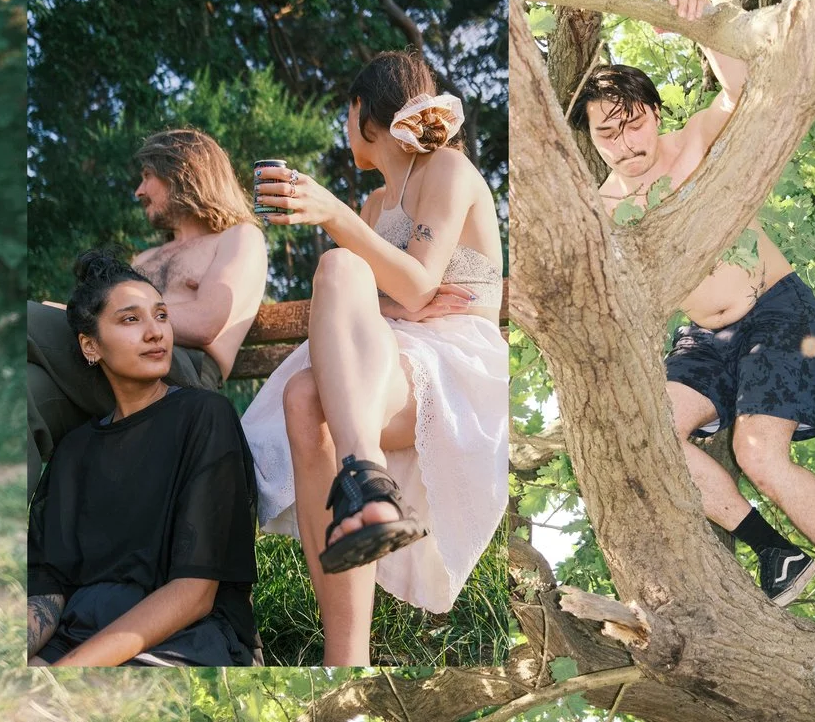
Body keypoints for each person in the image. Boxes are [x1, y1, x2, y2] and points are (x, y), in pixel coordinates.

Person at [571, 0, 815, 639]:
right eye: (606, 130)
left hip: (774, 309)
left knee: (759, 453)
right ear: (591, 137)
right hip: (703, 337)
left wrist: (703, 26)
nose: (623, 139)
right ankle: (773, 547)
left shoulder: (696, 142)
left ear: (656, 115)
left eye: (633, 120)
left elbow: (750, 93)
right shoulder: (604, 209)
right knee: (646, 434)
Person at [241, 49, 509, 666]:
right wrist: (397, 301)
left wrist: (334, 218)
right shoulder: (373, 209)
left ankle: (364, 475)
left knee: (338, 264)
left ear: (366, 113)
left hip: (453, 366)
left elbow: (414, 286)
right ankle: (347, 652)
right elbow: (387, 306)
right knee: (302, 397)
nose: (345, 126)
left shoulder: (446, 169)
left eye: (347, 112)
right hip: (388, 358)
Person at [28, 250, 258, 667]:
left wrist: (66, 673)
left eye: (162, 316)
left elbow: (194, 593)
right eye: (131, 319)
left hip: (181, 638)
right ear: (90, 345)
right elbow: (49, 586)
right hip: (76, 635)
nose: (155, 333)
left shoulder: (204, 415)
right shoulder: (74, 448)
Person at [27, 129, 267, 469]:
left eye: (147, 176)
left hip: (183, 377)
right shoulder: (145, 258)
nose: (139, 191)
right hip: (113, 374)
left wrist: (86, 316)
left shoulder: (239, 237)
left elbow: (205, 322)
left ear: (182, 171)